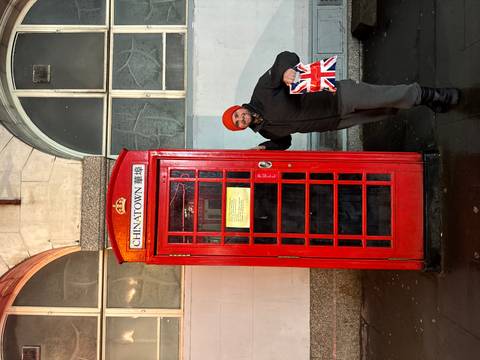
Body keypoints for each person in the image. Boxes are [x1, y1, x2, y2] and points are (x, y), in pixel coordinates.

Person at [221, 51, 460, 150]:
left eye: (238, 114)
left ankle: (432, 94)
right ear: (242, 128)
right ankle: (426, 102)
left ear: (240, 108)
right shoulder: (265, 131)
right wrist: (265, 148)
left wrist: (285, 71)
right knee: (384, 110)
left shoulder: (262, 91)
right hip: (334, 121)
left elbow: (285, 57)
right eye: (238, 123)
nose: (242, 118)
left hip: (336, 95)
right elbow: (286, 142)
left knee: (387, 95)